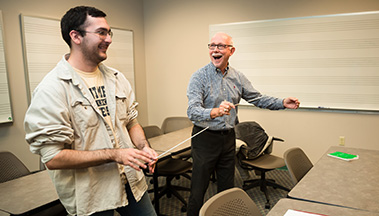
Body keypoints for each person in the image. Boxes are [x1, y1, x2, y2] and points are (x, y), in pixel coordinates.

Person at [24, 6, 158, 216]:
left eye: (108, 32)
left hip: (131, 181)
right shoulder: (52, 89)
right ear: (76, 36)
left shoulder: (116, 78)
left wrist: (143, 147)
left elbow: (131, 122)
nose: (109, 39)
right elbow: (53, 157)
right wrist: (115, 155)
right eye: (101, 32)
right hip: (93, 193)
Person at [186, 32, 300, 215]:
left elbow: (258, 99)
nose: (215, 49)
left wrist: (282, 102)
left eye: (221, 46)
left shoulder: (238, 77)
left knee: (227, 189)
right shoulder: (199, 77)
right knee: (198, 190)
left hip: (229, 139)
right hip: (205, 139)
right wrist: (214, 112)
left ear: (231, 51)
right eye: (212, 45)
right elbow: (192, 111)